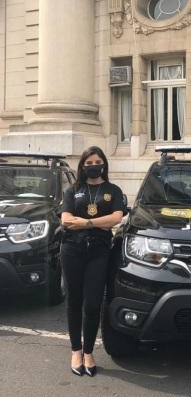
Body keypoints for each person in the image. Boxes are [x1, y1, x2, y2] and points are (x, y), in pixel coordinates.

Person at [61, 146, 124, 377]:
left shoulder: (113, 190)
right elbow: (66, 219)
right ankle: (76, 350)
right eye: (88, 163)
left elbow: (117, 217)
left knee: (93, 304)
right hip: (72, 250)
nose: (93, 166)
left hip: (99, 252)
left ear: (104, 164)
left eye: (97, 162)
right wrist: (99, 221)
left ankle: (89, 351)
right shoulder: (73, 190)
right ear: (82, 166)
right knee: (74, 301)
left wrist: (86, 223)